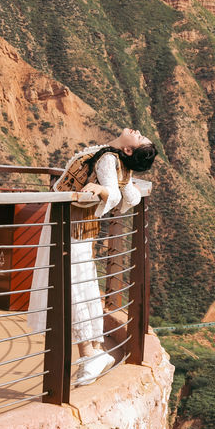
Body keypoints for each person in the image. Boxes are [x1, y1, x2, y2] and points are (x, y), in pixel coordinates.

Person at [52, 128, 157, 385]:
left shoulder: (110, 158)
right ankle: (95, 351)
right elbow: (130, 196)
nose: (138, 131)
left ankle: (89, 355)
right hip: (78, 226)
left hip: (70, 225)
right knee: (82, 284)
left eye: (140, 138)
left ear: (128, 150)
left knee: (73, 287)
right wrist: (119, 187)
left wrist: (104, 192)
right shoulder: (118, 162)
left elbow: (116, 195)